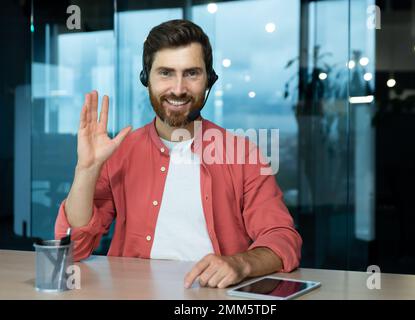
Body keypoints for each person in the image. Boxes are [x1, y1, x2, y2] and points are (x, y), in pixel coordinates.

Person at [55, 19, 302, 289]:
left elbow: (282, 238)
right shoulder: (120, 153)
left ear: (210, 80)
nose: (178, 88)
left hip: (214, 298)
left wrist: (241, 263)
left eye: (192, 73)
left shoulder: (242, 153)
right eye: (165, 73)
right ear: (145, 78)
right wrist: (87, 169)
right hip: (134, 293)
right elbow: (73, 248)